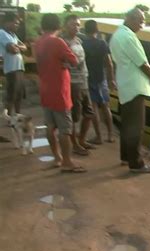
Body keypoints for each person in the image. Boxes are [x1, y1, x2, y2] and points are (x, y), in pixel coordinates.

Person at [109, 8, 150, 173]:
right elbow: (142, 63)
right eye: (140, 21)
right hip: (135, 87)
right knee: (136, 127)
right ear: (130, 19)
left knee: (128, 124)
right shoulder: (129, 37)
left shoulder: (117, 35)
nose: (142, 25)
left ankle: (125, 157)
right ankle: (136, 163)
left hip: (126, 84)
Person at [34, 13, 85, 173]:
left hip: (45, 89)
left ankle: (57, 158)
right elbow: (75, 61)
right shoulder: (57, 42)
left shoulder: (38, 42)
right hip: (59, 91)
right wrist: (64, 62)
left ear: (43, 25)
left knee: (50, 126)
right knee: (65, 129)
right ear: (59, 26)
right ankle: (67, 162)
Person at [60, 15, 94, 156]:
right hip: (72, 83)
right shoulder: (62, 42)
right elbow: (61, 61)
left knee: (89, 113)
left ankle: (81, 139)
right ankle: (75, 144)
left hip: (83, 80)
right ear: (65, 25)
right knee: (74, 116)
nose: (76, 27)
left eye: (78, 25)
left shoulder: (78, 40)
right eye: (73, 24)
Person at [81, 19, 117, 144]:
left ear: (85, 31)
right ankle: (111, 135)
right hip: (102, 79)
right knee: (106, 107)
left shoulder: (83, 45)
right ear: (97, 30)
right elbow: (109, 63)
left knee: (94, 108)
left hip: (89, 78)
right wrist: (111, 79)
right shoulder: (102, 43)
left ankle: (98, 137)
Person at [0, 12, 26, 116]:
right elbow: (12, 50)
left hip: (19, 67)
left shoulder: (13, 35)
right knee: (12, 93)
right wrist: (17, 48)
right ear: (8, 22)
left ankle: (17, 115)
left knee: (19, 93)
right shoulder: (2, 33)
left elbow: (24, 47)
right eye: (15, 23)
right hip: (11, 68)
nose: (17, 25)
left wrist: (17, 47)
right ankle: (9, 116)